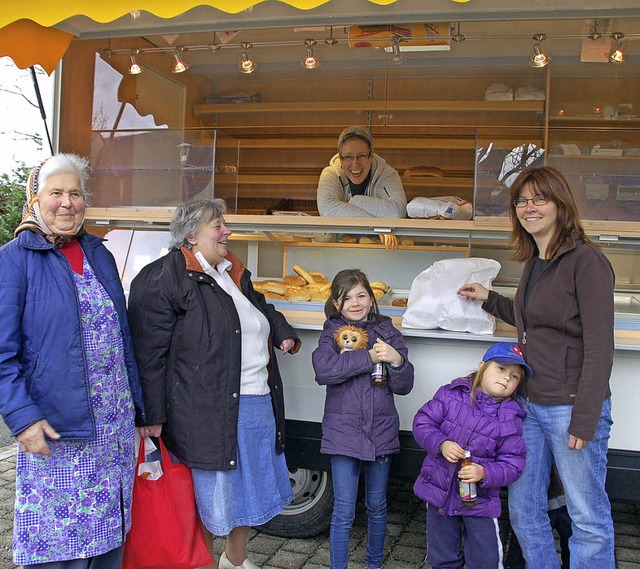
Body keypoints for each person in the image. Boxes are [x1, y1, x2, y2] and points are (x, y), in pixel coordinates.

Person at [128, 199, 300, 569]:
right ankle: (201, 562)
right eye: (218, 225)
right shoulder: (163, 276)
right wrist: (151, 414)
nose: (228, 232)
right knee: (211, 497)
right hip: (207, 408)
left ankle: (235, 560)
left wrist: (282, 332)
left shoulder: (231, 269)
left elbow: (259, 306)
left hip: (256, 401)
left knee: (248, 492)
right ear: (191, 234)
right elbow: (148, 353)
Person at [458, 166, 616, 568]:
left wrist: (585, 417)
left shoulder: (587, 261)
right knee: (524, 513)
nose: (529, 208)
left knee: (587, 518)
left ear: (560, 203)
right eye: (522, 201)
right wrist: (489, 298)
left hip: (570, 408)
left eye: (538, 199)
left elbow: (600, 346)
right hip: (528, 406)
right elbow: (533, 319)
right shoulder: (536, 261)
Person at [0, 154, 145, 568]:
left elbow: (122, 337)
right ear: (35, 199)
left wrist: (140, 408)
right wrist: (22, 419)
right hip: (58, 429)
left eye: (75, 193)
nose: (67, 203)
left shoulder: (99, 253)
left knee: (107, 539)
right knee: (60, 546)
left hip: (112, 430)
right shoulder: (14, 260)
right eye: (56, 193)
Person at [311, 268, 414, 569]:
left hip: (380, 431)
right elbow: (324, 371)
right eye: (346, 298)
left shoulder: (389, 331)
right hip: (343, 434)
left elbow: (405, 386)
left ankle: (374, 564)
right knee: (343, 510)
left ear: (371, 298)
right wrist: (369, 357)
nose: (355, 303)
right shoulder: (331, 334)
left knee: (377, 506)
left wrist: (396, 360)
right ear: (336, 304)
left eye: (361, 295)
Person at [412, 342, 528, 569]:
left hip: (480, 502)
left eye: (514, 377)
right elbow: (422, 422)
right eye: (501, 369)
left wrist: (485, 472)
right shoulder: (451, 394)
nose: (506, 379)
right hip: (440, 493)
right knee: (442, 556)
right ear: (482, 367)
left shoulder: (510, 418)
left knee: (486, 560)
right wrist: (441, 443)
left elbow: (514, 463)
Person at [316, 126, 407, 248]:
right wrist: (376, 225)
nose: (355, 164)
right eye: (348, 157)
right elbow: (327, 209)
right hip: (336, 249)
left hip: (381, 251)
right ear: (340, 158)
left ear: (371, 156)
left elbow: (397, 212)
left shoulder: (388, 175)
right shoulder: (330, 174)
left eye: (362, 156)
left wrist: (355, 201)